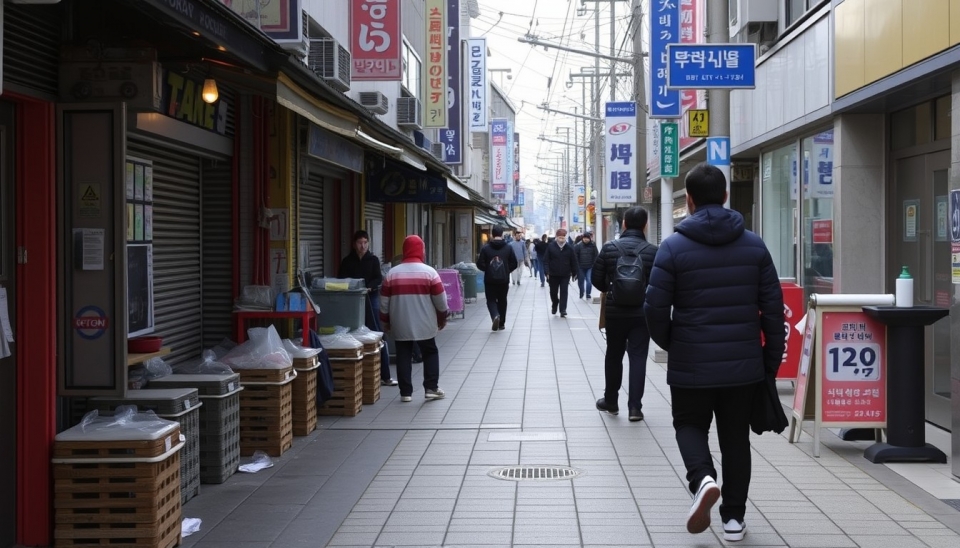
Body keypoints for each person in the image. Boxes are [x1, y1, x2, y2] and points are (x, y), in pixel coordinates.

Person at [644, 163, 785, 542]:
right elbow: (772, 310)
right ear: (725, 196)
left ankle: (703, 478)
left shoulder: (672, 247)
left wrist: (674, 343)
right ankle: (734, 519)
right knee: (736, 438)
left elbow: (655, 310)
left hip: (691, 362)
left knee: (689, 425)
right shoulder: (754, 246)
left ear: (687, 201)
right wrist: (768, 363)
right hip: (743, 366)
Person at [591, 207, 658, 422]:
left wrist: (611, 289)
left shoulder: (610, 248)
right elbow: (659, 283)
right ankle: (635, 408)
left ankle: (611, 401)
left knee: (614, 355)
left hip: (615, 312)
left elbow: (596, 279)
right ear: (645, 225)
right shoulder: (653, 251)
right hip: (642, 314)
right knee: (638, 358)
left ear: (625, 224)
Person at [379, 235, 450, 402]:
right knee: (430, 351)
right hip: (425, 322)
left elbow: (384, 303)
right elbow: (441, 300)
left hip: (400, 322)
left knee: (404, 353)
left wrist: (386, 321)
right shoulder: (430, 273)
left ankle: (405, 393)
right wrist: (442, 317)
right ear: (421, 250)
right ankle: (431, 387)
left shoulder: (392, 274)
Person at [338, 230, 396, 386]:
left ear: (368, 243)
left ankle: (386, 375)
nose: (362, 246)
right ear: (354, 244)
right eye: (359, 243)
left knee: (377, 331)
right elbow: (341, 278)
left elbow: (378, 277)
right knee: (350, 332)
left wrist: (369, 287)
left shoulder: (373, 260)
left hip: (371, 298)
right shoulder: (347, 261)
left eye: (365, 242)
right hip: (352, 301)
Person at [476, 225, 518, 331]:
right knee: (502, 300)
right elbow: (514, 263)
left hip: (490, 280)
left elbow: (480, 264)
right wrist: (506, 270)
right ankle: (502, 323)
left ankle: (495, 315)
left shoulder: (486, 248)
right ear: (502, 234)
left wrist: (489, 270)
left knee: (490, 299)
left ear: (492, 234)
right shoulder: (508, 247)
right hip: (504, 280)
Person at [543, 228, 578, 318]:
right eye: (560, 238)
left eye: (563, 238)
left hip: (565, 274)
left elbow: (573, 261)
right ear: (556, 238)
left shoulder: (569, 248)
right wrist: (546, 272)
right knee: (553, 292)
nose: (561, 239)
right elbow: (546, 261)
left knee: (564, 291)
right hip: (553, 274)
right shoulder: (551, 246)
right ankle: (555, 303)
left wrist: (574, 273)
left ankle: (563, 309)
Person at [574, 232, 599, 300]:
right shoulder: (578, 246)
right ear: (582, 238)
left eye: (587, 238)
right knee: (581, 281)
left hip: (590, 267)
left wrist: (594, 264)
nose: (586, 239)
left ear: (589, 238)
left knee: (589, 280)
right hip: (580, 267)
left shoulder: (593, 245)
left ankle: (588, 293)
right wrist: (577, 265)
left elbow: (596, 255)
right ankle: (581, 292)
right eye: (584, 238)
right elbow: (575, 256)